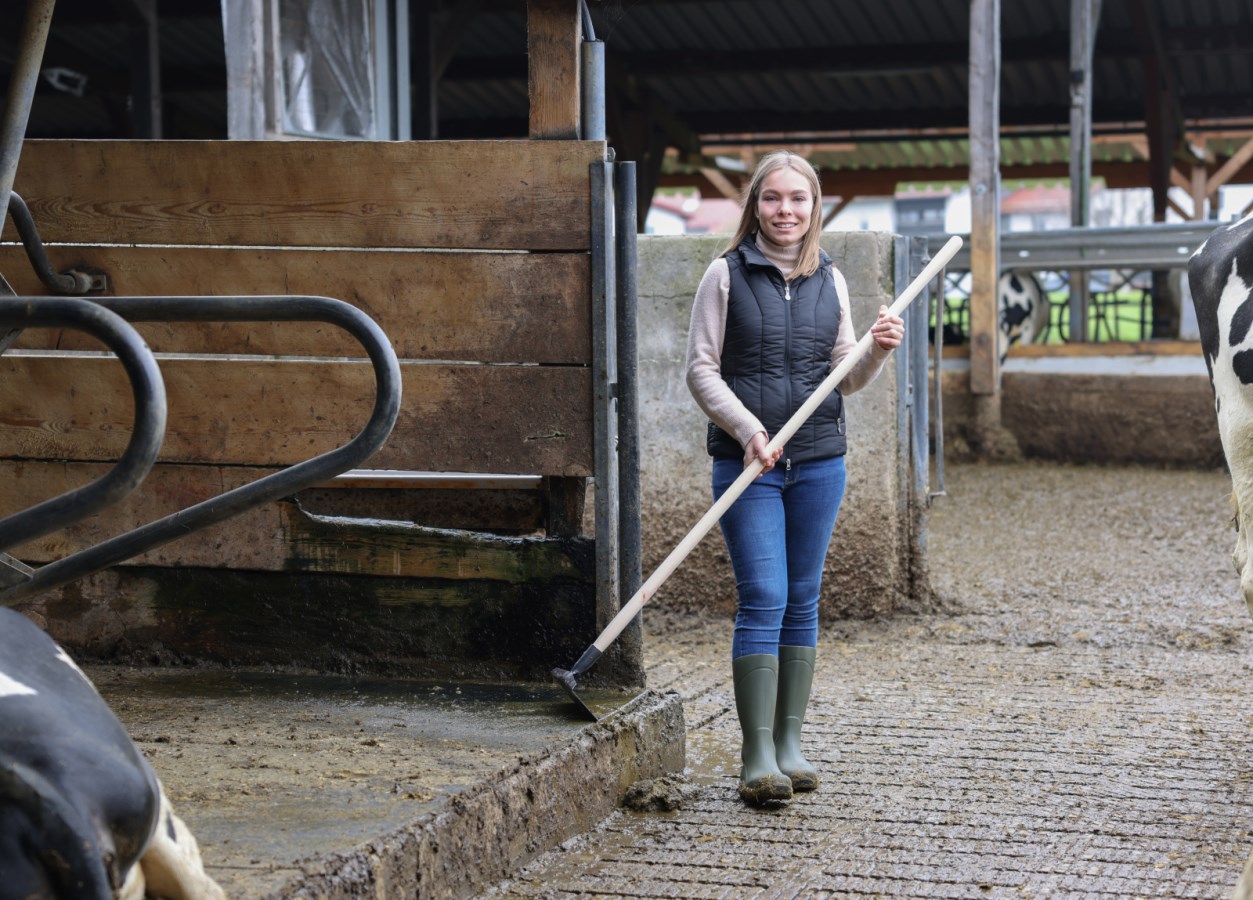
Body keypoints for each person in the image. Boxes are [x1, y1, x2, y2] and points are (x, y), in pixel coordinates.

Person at [684, 150, 904, 806]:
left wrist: (876, 351)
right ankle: (755, 755)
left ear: (814, 207)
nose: (786, 210)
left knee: (803, 598)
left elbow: (845, 377)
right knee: (765, 596)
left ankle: (788, 745)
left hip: (819, 462)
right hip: (747, 463)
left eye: (798, 198)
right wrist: (747, 429)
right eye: (773, 198)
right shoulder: (724, 275)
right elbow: (700, 369)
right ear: (755, 206)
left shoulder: (829, 279)